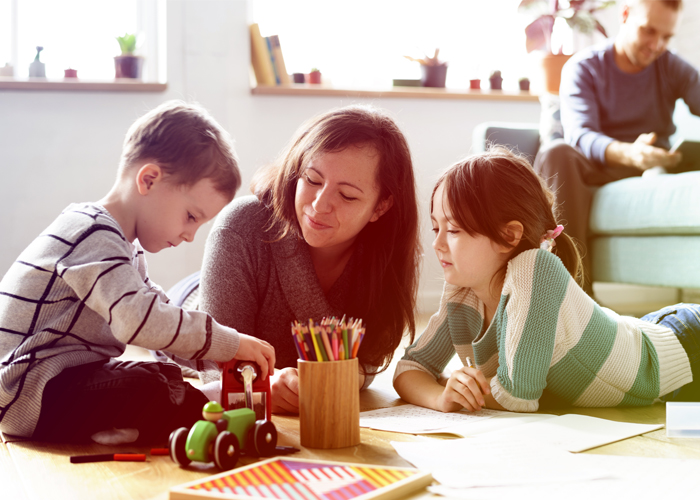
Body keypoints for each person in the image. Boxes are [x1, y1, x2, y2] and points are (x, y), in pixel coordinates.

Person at [0, 100, 275, 444]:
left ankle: (147, 421)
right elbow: (139, 321)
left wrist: (216, 358)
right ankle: (199, 410)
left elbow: (160, 318)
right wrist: (227, 343)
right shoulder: (92, 233)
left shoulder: (124, 247)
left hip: (61, 383)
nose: (190, 235)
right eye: (191, 217)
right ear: (149, 179)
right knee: (150, 386)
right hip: (28, 394)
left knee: (160, 374)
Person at [394, 148, 698, 414]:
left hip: (686, 345)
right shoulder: (462, 290)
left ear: (508, 235)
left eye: (455, 230)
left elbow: (515, 396)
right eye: (436, 229)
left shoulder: (534, 268)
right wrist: (442, 397)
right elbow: (410, 368)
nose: (437, 244)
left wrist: (458, 389)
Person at [197, 104, 422, 414]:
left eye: (347, 196)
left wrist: (329, 380)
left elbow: (368, 361)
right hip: (194, 305)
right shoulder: (241, 225)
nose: (320, 204)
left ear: (381, 207)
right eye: (313, 180)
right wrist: (265, 385)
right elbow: (214, 362)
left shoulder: (385, 255)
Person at [533, 0, 700, 292]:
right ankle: (572, 293)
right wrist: (630, 153)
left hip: (650, 169)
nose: (656, 44)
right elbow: (581, 135)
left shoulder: (671, 66)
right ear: (625, 15)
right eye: (649, 31)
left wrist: (652, 158)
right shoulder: (584, 67)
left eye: (666, 36)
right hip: (595, 168)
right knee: (556, 153)